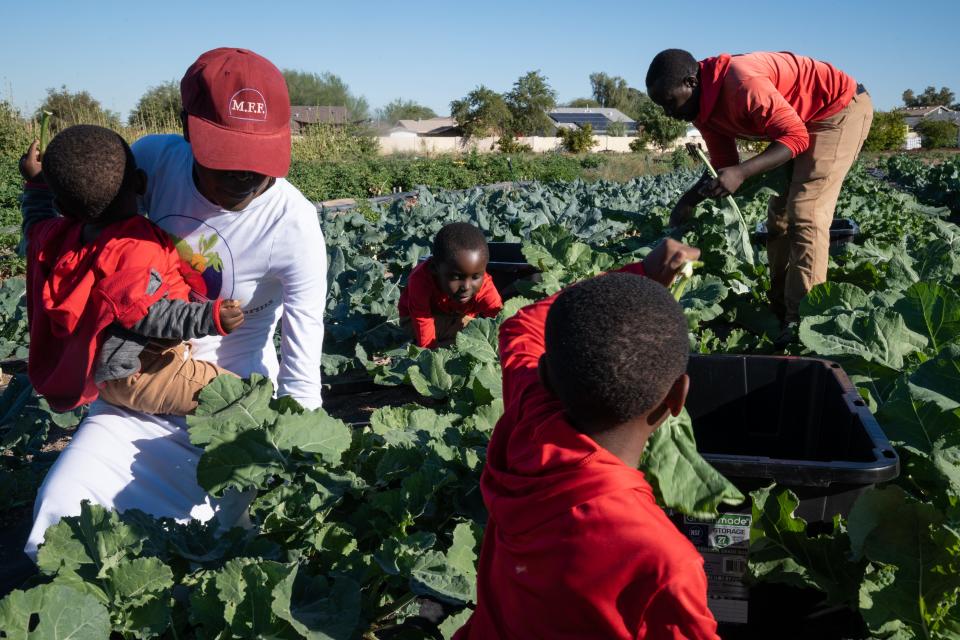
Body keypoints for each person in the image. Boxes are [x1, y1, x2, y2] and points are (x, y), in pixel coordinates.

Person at [25, 47, 328, 559]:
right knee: (58, 522)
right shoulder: (148, 163)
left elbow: (301, 369)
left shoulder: (294, 225)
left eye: (260, 163)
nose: (245, 180)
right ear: (187, 130)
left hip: (232, 407)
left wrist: (289, 450)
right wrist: (39, 187)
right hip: (137, 391)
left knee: (219, 548)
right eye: (227, 162)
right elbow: (78, 230)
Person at [455, 238, 720, 640]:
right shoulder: (663, 560)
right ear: (676, 398)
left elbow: (521, 327)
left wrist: (641, 272)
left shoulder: (528, 426)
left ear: (544, 376)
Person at [646, 49, 873, 339]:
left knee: (806, 212)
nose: (668, 112)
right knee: (778, 219)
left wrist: (741, 174)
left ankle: (804, 323)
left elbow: (795, 137)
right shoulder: (699, 108)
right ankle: (778, 306)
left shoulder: (741, 83)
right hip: (797, 120)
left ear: (690, 82)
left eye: (669, 102)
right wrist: (689, 200)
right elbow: (724, 164)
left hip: (837, 108)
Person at [18, 126, 245, 416]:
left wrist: (37, 183)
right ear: (140, 182)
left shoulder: (54, 236)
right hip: (143, 370)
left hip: (104, 370)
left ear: (62, 206)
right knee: (243, 400)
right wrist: (209, 317)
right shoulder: (135, 247)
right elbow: (145, 316)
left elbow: (34, 222)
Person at [398, 222, 503, 348]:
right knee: (469, 339)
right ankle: (413, 348)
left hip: (454, 317)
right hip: (414, 319)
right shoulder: (420, 280)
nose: (467, 286)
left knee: (477, 334)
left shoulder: (485, 286)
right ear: (435, 268)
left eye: (475, 277)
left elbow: (499, 318)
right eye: (456, 277)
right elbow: (422, 320)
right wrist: (428, 355)